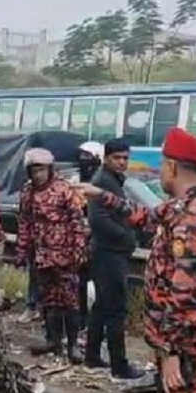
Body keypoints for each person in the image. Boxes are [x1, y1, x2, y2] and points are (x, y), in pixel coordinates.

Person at [78, 127, 196, 392]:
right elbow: (145, 216)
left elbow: (185, 293)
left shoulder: (194, 218)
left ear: (172, 166)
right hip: (185, 337)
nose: (160, 171)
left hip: (189, 341)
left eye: (162, 164)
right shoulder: (186, 204)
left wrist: (170, 351)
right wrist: (101, 195)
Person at [15, 148, 88, 364]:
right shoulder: (27, 192)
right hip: (42, 256)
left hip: (65, 255)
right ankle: (52, 340)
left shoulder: (64, 189)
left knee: (70, 300)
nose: (38, 175)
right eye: (34, 171)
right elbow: (24, 223)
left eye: (42, 170)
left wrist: (79, 250)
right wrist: (21, 250)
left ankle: (73, 345)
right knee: (48, 299)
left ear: (50, 169)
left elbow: (77, 222)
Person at [84, 138, 144, 378]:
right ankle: (119, 365)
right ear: (106, 158)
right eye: (117, 158)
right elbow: (98, 220)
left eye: (125, 158)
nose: (122, 162)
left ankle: (92, 356)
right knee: (116, 310)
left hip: (109, 252)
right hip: (108, 253)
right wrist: (128, 238)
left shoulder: (113, 180)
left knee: (102, 306)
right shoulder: (103, 181)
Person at [72, 141, 103, 332]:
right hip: (79, 240)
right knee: (80, 282)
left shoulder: (101, 182)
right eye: (81, 156)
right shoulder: (76, 180)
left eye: (87, 157)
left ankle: (96, 323)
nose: (83, 160)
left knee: (99, 283)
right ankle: (81, 319)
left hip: (97, 240)